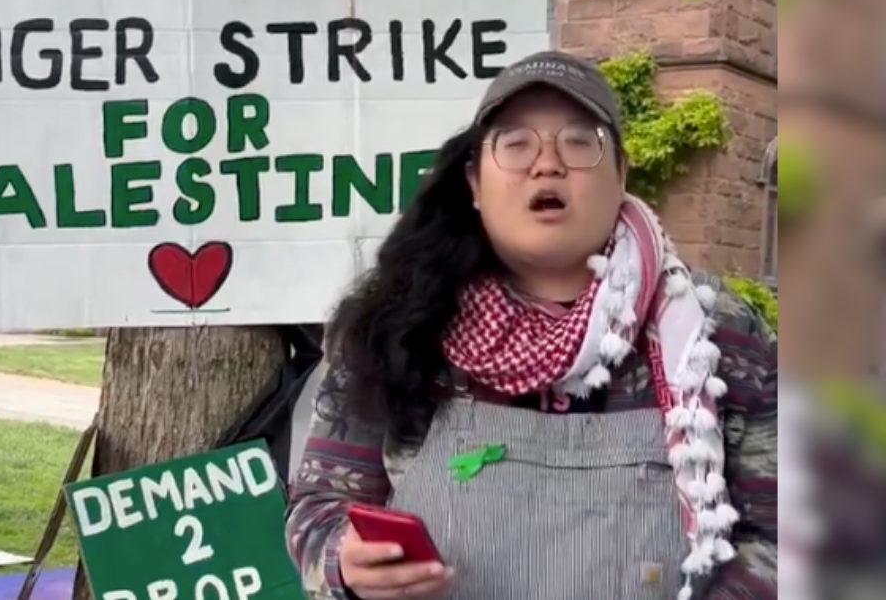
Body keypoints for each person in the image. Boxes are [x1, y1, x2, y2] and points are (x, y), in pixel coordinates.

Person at [286, 51, 777, 600]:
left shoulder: (716, 339)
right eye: (516, 144)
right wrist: (345, 564)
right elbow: (319, 506)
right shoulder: (394, 330)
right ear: (473, 182)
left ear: (621, 174)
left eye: (579, 142)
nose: (547, 164)